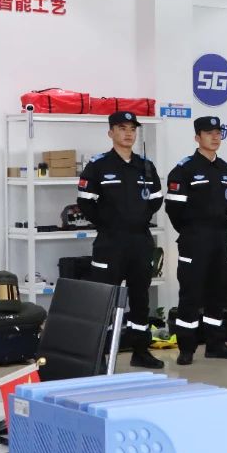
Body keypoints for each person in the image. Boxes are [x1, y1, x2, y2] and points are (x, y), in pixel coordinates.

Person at [77, 111, 165, 369]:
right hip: (110, 243)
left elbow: (156, 199)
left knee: (140, 299)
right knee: (104, 298)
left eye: (132, 129)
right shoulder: (98, 165)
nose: (128, 133)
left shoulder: (145, 166)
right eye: (122, 128)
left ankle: (140, 351)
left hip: (140, 241)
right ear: (111, 133)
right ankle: (100, 356)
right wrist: (108, 224)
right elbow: (85, 202)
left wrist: (138, 219)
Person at [164, 116, 227, 365]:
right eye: (209, 133)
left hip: (220, 238)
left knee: (218, 294)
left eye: (218, 133)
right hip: (195, 239)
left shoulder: (225, 169)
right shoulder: (184, 169)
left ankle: (215, 344)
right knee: (191, 293)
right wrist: (192, 231)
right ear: (197, 137)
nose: (215, 137)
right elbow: (174, 209)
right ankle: (186, 348)